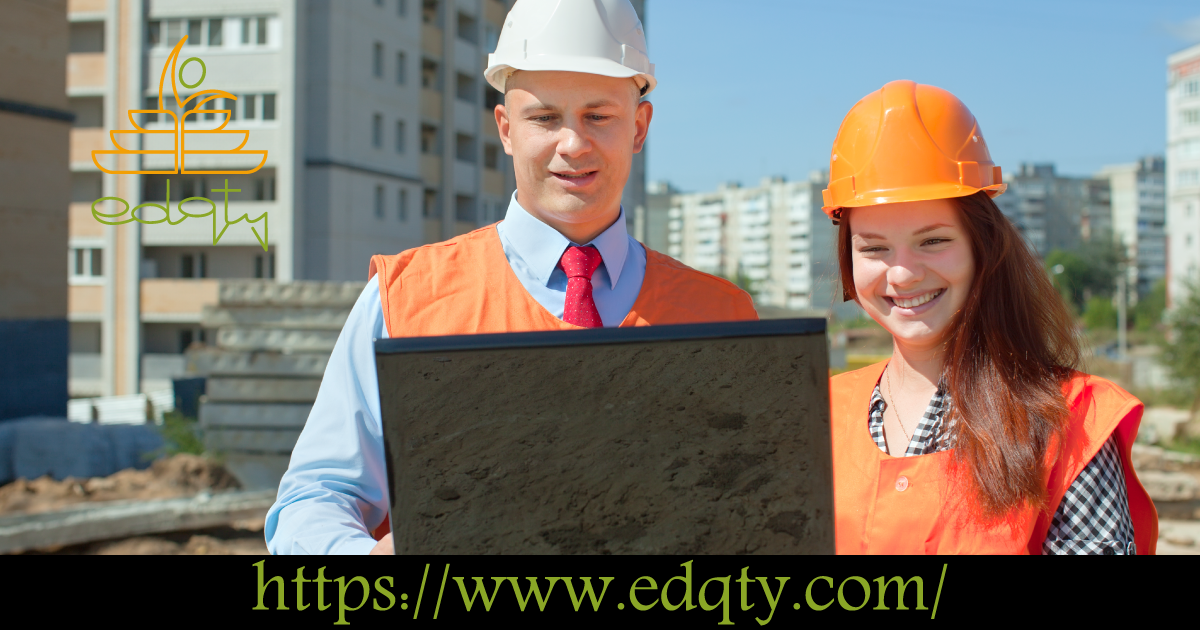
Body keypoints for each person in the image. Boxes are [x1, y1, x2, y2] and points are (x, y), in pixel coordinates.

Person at [265, 0, 757, 555]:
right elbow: (317, 496)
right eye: (545, 118)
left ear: (639, 126)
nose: (572, 144)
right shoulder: (404, 301)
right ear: (505, 128)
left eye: (599, 116)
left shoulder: (722, 317)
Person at [824, 80, 1157, 554]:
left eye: (933, 240)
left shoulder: (1073, 422)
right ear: (849, 262)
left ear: (984, 247)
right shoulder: (817, 413)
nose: (901, 273)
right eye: (874, 248)